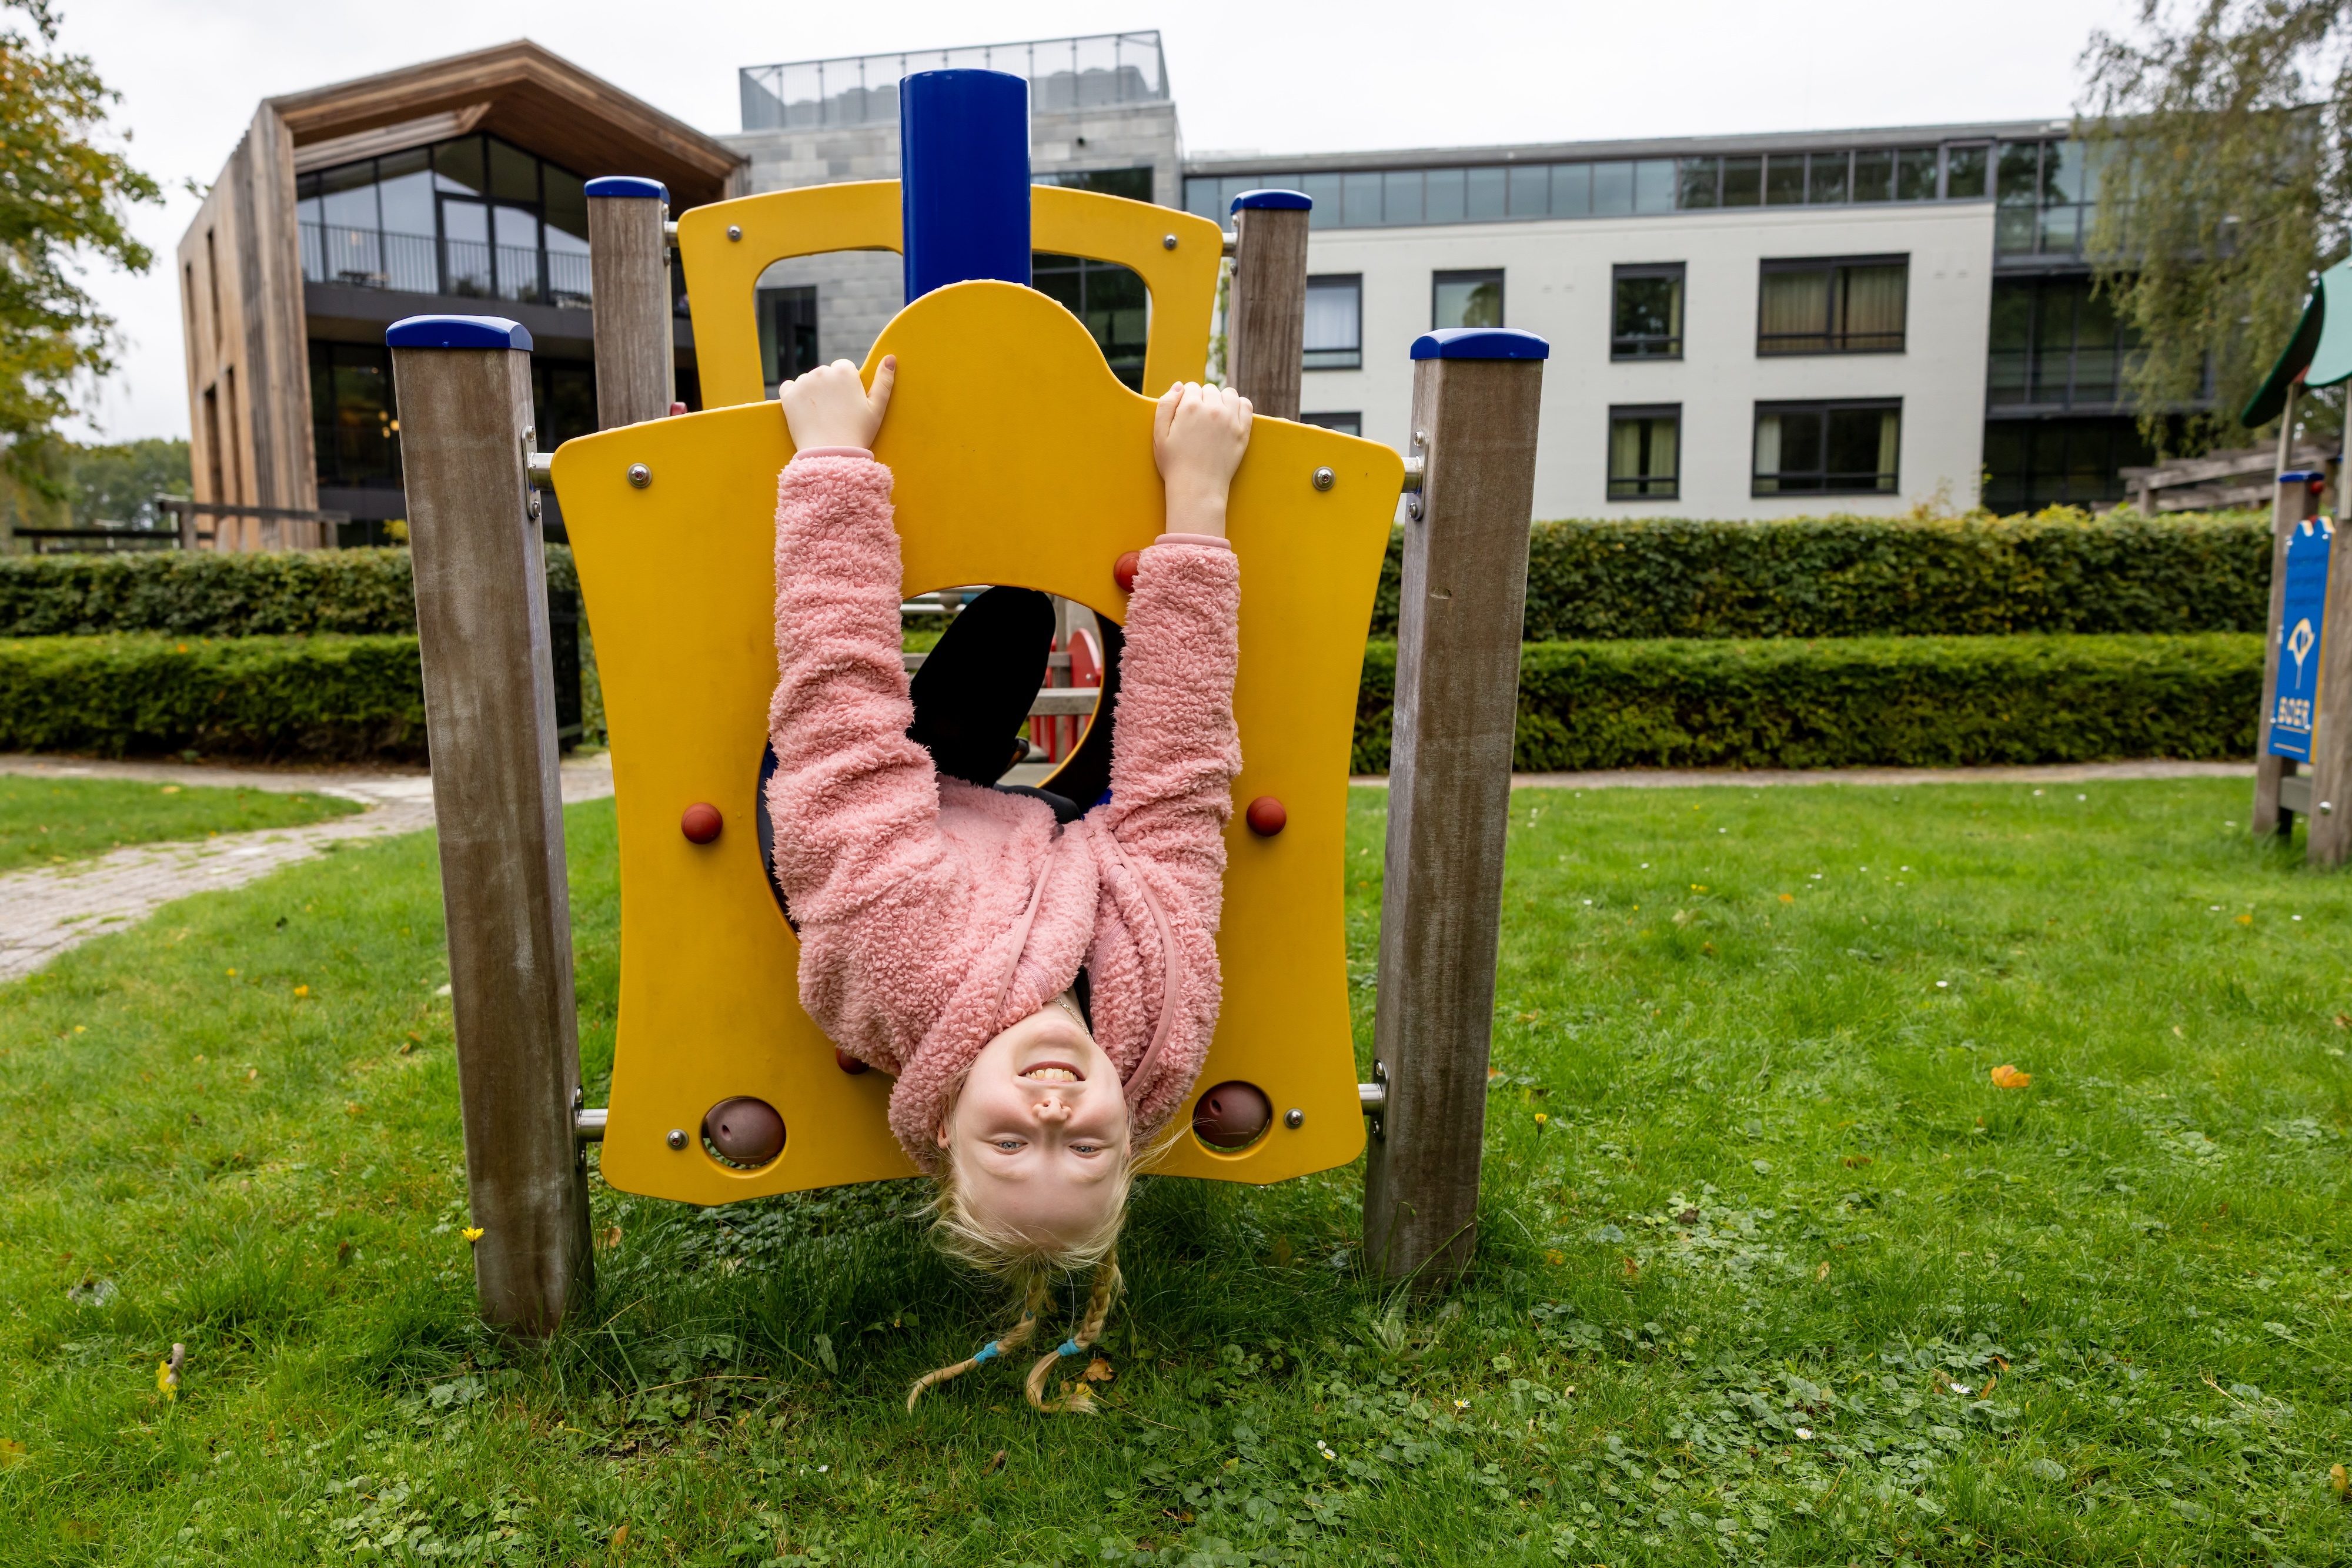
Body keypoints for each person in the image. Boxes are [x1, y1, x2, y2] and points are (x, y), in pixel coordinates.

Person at [761, 353, 1251, 1412]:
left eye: (1011, 1138)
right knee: (1033, 623)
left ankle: (985, 684)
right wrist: (1198, 511)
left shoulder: (894, 940)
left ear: (942, 1123)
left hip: (871, 811)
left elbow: (840, 708)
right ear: (1132, 1129)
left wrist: (833, 466)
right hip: (1027, 848)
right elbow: (1182, 774)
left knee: (1011, 625)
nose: (1055, 1104)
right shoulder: (1164, 1005)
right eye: (1085, 1142)